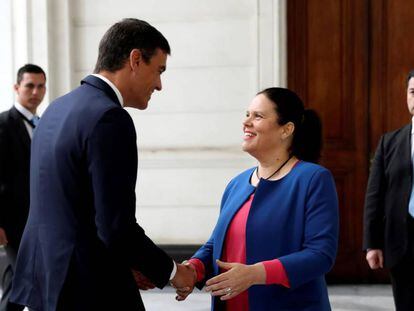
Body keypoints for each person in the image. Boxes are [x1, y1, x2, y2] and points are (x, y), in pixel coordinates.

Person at [10, 18, 195, 311]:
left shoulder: (57, 108)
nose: (159, 85)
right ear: (135, 59)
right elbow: (115, 227)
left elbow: (63, 206)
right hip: (89, 289)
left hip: (46, 280)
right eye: (158, 70)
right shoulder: (110, 118)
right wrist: (173, 272)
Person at [175, 88, 339, 310]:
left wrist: (255, 274)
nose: (246, 123)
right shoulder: (237, 184)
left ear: (286, 129)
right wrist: (193, 269)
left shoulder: (313, 178)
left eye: (258, 116)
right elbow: (216, 244)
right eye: (247, 115)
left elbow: (320, 254)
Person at [363, 70, 414, 311]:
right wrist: (372, 243)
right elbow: (375, 195)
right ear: (406, 96)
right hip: (400, 243)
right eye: (413, 92)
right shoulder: (389, 142)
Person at [0, 64, 46, 311]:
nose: (36, 92)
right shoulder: (3, 124)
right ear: (17, 88)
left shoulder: (45, 123)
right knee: (22, 279)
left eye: (41, 86)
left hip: (39, 219)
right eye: (30, 86)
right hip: (14, 222)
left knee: (22, 279)